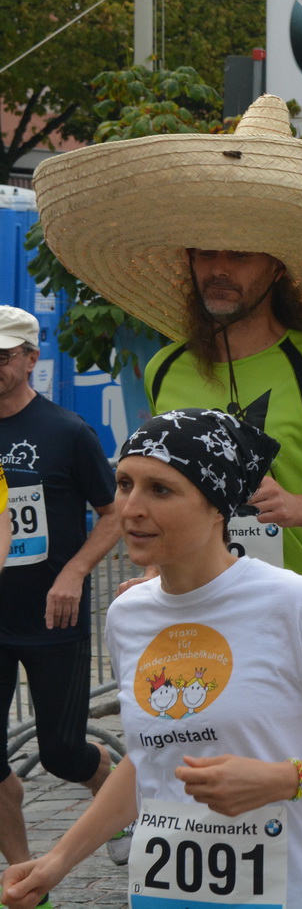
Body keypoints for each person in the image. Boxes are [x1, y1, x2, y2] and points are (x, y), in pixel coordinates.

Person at [32, 93, 302, 892]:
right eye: (206, 249)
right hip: (182, 611)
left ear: (278, 265)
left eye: (242, 252)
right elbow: (158, 482)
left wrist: (295, 508)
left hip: (296, 611)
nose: (219, 266)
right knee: (183, 783)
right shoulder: (166, 365)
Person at [0, 409, 302, 909]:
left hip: (294, 893)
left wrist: (283, 779)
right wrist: (56, 861)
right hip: (167, 897)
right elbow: (148, 760)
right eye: (124, 483)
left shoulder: (296, 604)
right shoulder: (128, 615)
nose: (131, 508)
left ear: (217, 506)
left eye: (160, 490)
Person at [0, 307, 120, 874]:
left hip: (53, 616)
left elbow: (115, 515)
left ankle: (123, 807)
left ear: (31, 359)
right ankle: (24, 876)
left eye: (4, 358)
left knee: (63, 753)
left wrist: (74, 571)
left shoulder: (68, 432)